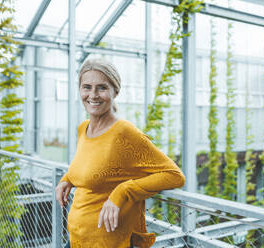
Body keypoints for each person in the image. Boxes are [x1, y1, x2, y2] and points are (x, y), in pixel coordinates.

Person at [55, 58, 185, 248]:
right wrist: (68, 178)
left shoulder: (124, 133)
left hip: (109, 242)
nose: (93, 94)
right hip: (76, 238)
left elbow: (174, 176)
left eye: (101, 88)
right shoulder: (83, 128)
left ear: (115, 91)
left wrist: (122, 192)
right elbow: (94, 164)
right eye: (87, 87)